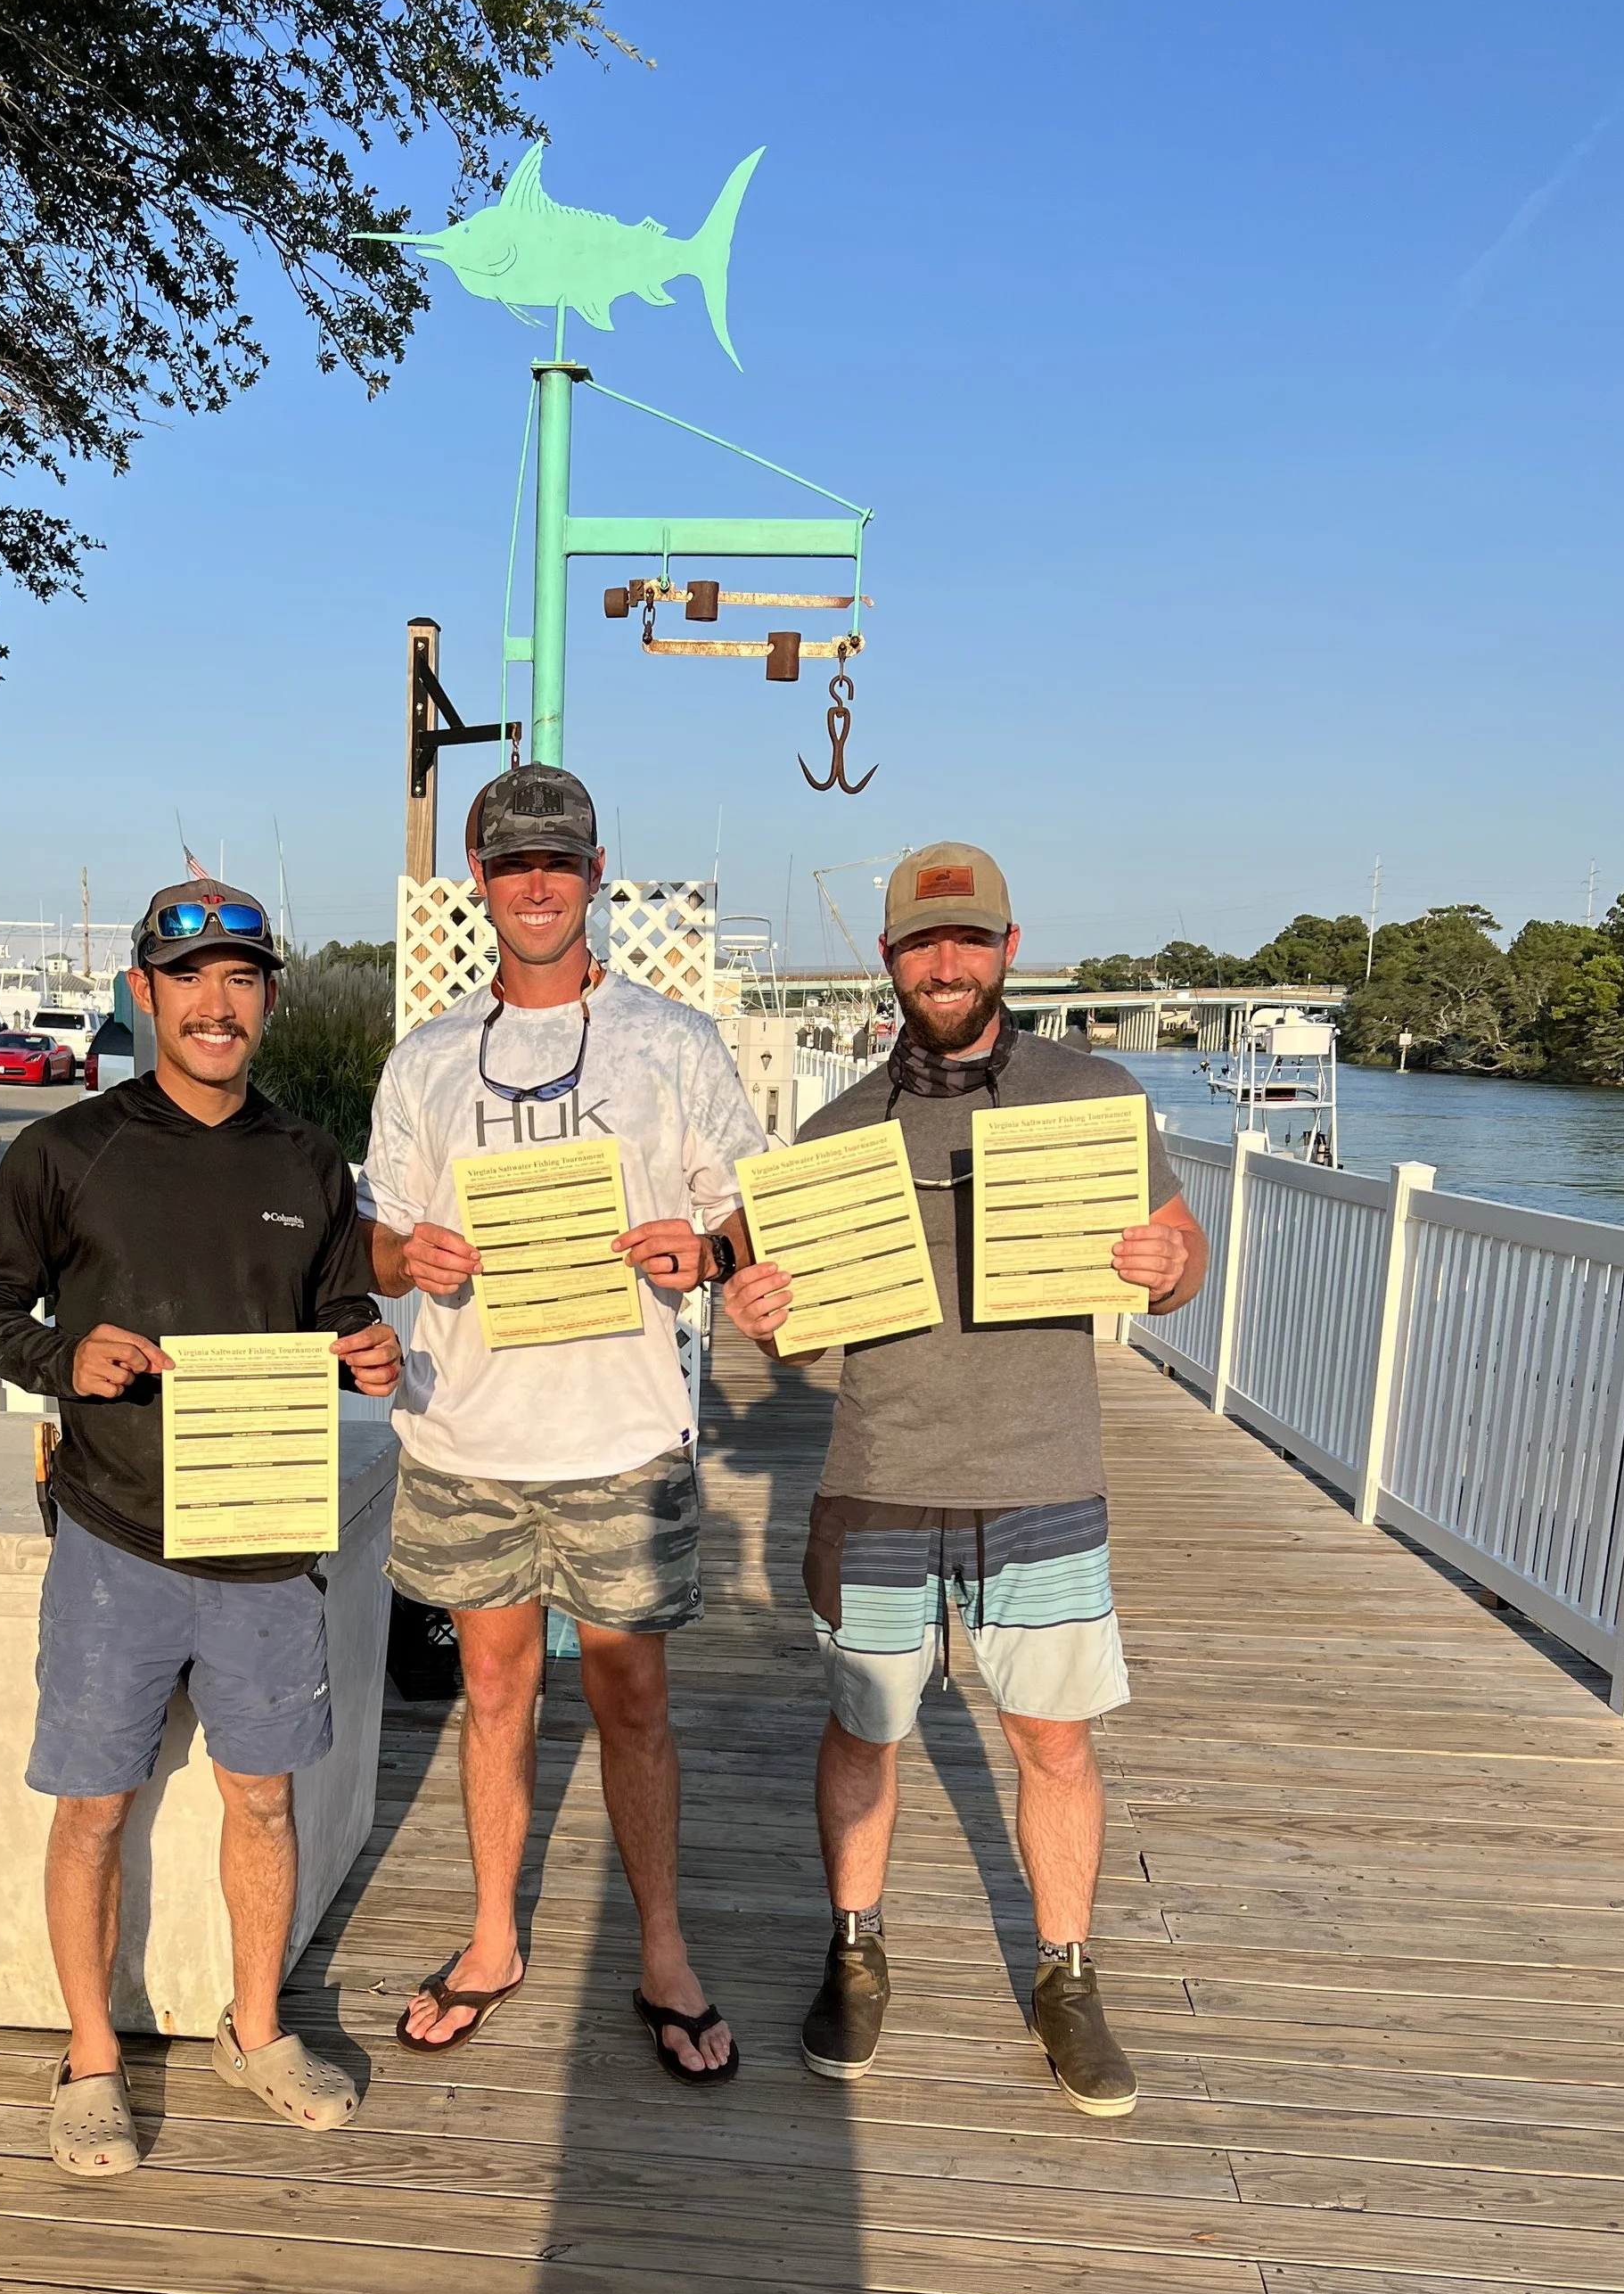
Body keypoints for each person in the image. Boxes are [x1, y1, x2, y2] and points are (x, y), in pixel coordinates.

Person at [724, 841, 1209, 2116]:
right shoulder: (833, 1132)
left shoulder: (1093, 1093)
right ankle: (856, 1946)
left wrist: (1170, 1261)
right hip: (877, 1474)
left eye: (971, 939)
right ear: (888, 962)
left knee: (1052, 1737)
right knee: (865, 1728)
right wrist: (762, 1311)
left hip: (1043, 1470)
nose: (948, 962)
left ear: (1009, 948)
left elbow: (1182, 1256)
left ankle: (1066, 1971)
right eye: (923, 944)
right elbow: (793, 1331)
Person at [0, 878, 402, 2172]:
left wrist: (365, 1353)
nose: (218, 1004)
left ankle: (253, 2032)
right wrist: (60, 1358)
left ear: (267, 998)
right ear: (143, 993)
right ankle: (91, 2056)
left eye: (243, 979)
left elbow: (332, 1325)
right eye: (189, 978)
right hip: (115, 1537)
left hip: (265, 1544)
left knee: (262, 1799)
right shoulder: (66, 1150)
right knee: (94, 1806)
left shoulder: (311, 1162)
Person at [360, 765, 766, 2081]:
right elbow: (376, 1234)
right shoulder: (423, 1058)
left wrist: (697, 1252)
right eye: (509, 862)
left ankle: (661, 1947)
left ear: (599, 873)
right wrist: (404, 1256)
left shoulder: (676, 1043)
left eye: (560, 860)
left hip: (620, 1435)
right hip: (467, 1435)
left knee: (633, 1696)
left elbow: (748, 1217)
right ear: (477, 882)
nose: (535, 884)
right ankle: (492, 1935)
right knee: (493, 1693)